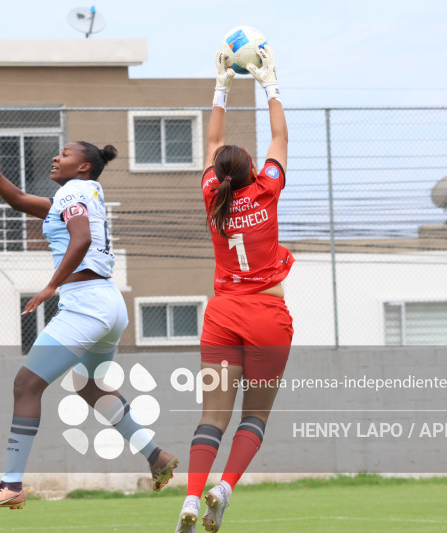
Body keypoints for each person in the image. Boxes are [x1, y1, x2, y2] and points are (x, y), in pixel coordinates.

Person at [0, 136, 178, 510]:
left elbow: (81, 238)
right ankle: (154, 454)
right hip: (108, 305)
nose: (54, 157)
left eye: (64, 154)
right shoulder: (78, 195)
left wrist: (51, 285)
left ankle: (10, 484)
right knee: (88, 385)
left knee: (25, 384)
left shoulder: (73, 191)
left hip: (85, 306)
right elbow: (17, 200)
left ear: (82, 166)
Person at [175, 45, 293, 533]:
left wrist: (221, 85)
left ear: (220, 176)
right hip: (267, 315)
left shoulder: (211, 197)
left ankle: (189, 496)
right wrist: (269, 84)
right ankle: (224, 488)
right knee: (254, 418)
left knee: (211, 417)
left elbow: (211, 143)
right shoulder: (266, 189)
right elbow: (281, 136)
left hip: (222, 313)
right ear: (250, 169)